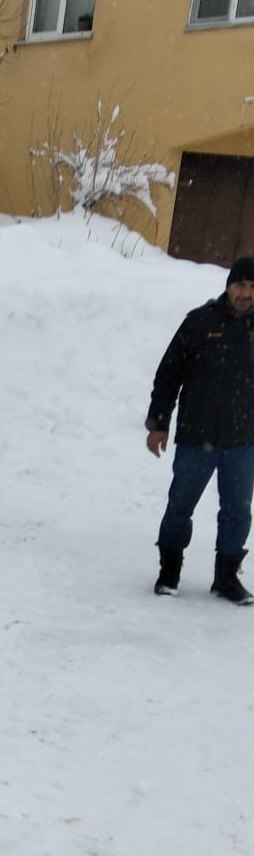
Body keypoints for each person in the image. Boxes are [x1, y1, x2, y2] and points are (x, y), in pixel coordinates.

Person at [146, 255, 254, 603]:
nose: (246, 293)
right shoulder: (200, 322)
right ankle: (169, 571)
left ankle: (226, 578)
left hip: (243, 440)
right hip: (197, 436)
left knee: (237, 512)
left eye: (253, 287)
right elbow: (169, 374)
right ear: (228, 285)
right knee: (180, 506)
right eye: (240, 285)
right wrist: (158, 423)